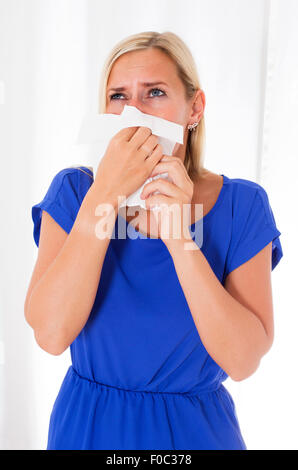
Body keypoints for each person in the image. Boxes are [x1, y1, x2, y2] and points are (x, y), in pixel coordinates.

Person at [24, 31, 283, 450]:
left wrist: (180, 237)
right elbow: (51, 335)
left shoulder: (242, 206)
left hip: (195, 436)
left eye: (155, 92)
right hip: (88, 430)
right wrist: (103, 198)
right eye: (118, 96)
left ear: (194, 108)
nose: (135, 113)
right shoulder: (74, 194)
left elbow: (243, 360)